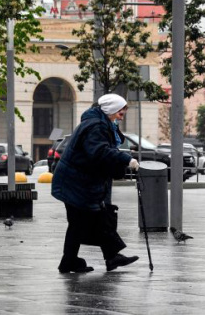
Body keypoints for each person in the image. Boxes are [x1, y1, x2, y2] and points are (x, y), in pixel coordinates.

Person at [51, 93, 140, 273]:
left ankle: (72, 261)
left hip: (78, 182)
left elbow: (105, 149)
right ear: (111, 109)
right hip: (75, 182)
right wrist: (125, 159)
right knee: (90, 219)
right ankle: (107, 257)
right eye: (121, 109)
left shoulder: (101, 123)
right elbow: (99, 151)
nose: (123, 112)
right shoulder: (96, 126)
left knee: (85, 221)